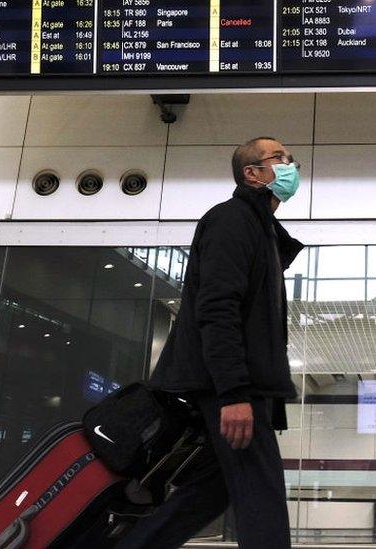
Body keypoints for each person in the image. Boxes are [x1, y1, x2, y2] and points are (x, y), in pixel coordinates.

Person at [117, 137, 303, 548]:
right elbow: (217, 309)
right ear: (252, 174)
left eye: (290, 159)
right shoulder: (231, 220)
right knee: (262, 496)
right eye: (279, 159)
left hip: (237, 385)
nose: (290, 165)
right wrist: (233, 392)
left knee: (208, 494)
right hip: (231, 387)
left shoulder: (263, 230)